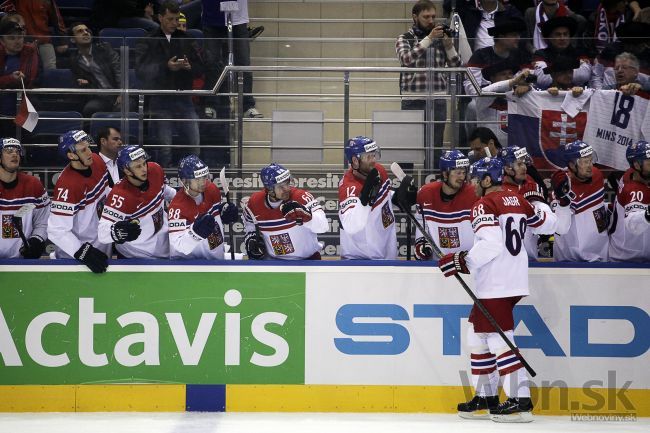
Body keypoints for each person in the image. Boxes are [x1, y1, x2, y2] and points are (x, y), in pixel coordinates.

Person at [438, 157, 557, 423]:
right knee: (477, 337)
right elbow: (550, 225)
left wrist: (460, 261)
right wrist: (544, 204)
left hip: (496, 283)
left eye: (476, 178)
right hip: (512, 279)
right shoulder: (517, 198)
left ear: (487, 180)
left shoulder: (484, 204)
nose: (471, 184)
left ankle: (521, 401)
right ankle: (487, 396)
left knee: (498, 339)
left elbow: (490, 245)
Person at [135, 0, 203, 167]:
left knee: (195, 145)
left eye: (176, 19)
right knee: (164, 148)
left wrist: (190, 67)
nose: (174, 23)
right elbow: (141, 70)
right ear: (160, 17)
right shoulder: (148, 40)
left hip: (183, 97)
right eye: (170, 19)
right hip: (161, 98)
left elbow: (201, 67)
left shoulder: (187, 39)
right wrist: (166, 66)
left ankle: (194, 174)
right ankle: (164, 181)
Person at [396, 0, 461, 153]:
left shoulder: (441, 39)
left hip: (437, 98)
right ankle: (406, 177)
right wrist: (429, 39)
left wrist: (449, 46)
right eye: (426, 17)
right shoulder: (404, 38)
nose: (431, 21)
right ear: (415, 17)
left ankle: (432, 177)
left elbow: (456, 66)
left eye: (433, 16)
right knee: (408, 147)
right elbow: (406, 59)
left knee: (435, 146)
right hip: (412, 99)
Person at [47, 130, 111, 273]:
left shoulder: (97, 161)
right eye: (83, 150)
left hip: (101, 247)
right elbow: (56, 231)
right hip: (74, 258)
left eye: (88, 147)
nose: (89, 152)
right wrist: (82, 252)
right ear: (71, 155)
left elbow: (106, 194)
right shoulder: (67, 186)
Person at [98, 145, 177, 258]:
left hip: (164, 245)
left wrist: (183, 201)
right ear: (127, 171)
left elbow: (165, 190)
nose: (144, 169)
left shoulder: (155, 170)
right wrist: (119, 231)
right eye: (138, 166)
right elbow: (102, 233)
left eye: (144, 163)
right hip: (137, 255)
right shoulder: (119, 196)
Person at [242, 163, 328, 260]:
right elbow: (249, 224)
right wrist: (251, 237)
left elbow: (324, 226)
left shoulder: (301, 197)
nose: (287, 188)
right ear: (270, 189)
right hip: (275, 264)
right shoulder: (254, 202)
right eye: (281, 186)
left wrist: (308, 217)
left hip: (309, 262)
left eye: (287, 183)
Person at [168, 154, 239, 259]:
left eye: (203, 177)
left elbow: (216, 219)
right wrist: (195, 234)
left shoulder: (212, 190)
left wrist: (223, 211)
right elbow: (177, 246)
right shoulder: (177, 208)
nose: (202, 182)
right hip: (191, 266)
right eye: (197, 179)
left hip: (216, 259)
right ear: (184, 181)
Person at [201, 0, 263, 118]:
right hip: (212, 16)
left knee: (243, 62)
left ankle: (248, 105)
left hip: (238, 17)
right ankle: (211, 103)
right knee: (212, 61)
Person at [338, 136, 397, 260]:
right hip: (361, 259)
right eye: (368, 157)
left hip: (386, 252)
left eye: (374, 155)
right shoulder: (349, 187)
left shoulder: (378, 170)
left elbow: (383, 195)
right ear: (355, 160)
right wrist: (364, 200)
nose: (373, 160)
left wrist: (396, 196)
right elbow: (351, 226)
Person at [550, 140, 609, 262]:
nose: (590, 166)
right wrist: (563, 199)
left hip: (600, 255)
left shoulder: (597, 175)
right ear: (572, 165)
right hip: (568, 259)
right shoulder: (560, 189)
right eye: (585, 162)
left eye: (591, 160)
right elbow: (561, 228)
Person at [414, 149, 477, 260]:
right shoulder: (425, 193)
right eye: (457, 173)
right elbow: (421, 223)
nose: (462, 177)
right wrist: (421, 242)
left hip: (468, 265)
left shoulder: (474, 195)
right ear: (445, 173)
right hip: (438, 265)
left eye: (464, 172)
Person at [498, 145, 551, 259]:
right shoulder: (498, 191)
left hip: (530, 257)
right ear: (507, 168)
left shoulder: (529, 182)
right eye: (519, 164)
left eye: (524, 163)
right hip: (506, 260)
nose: (525, 168)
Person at [0, 137, 49, 258]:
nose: (14, 154)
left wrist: (36, 240)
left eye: (17, 151)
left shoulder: (33, 184)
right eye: (9, 151)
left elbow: (43, 222)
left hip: (23, 262)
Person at [464, 16, 531, 95]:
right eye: (514, 35)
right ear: (501, 37)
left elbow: (530, 78)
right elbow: (473, 90)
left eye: (518, 35)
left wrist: (526, 86)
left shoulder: (521, 55)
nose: (518, 38)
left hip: (514, 100)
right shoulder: (480, 56)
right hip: (486, 102)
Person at [69, 22, 122, 121]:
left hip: (118, 93)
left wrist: (121, 92)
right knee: (90, 108)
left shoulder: (104, 49)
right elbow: (80, 80)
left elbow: (119, 71)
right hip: (100, 98)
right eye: (80, 31)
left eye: (87, 30)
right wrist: (85, 83)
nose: (86, 33)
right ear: (72, 39)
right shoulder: (74, 59)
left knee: (121, 109)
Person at [609, 140, 650, 262]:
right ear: (637, 165)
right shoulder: (634, 191)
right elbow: (633, 225)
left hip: (629, 252)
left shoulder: (631, 173)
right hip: (628, 259)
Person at [0, 20, 40, 137]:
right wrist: (11, 79)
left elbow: (28, 77)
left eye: (20, 37)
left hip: (24, 104)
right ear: (2, 40)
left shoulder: (30, 50)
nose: (17, 41)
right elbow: (15, 79)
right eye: (11, 38)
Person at [531, 16, 592, 89]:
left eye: (565, 34)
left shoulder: (580, 53)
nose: (562, 38)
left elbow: (583, 76)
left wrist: (554, 72)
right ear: (550, 38)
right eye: (558, 34)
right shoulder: (541, 54)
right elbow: (543, 80)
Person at [444, 0, 523, 51]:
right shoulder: (468, 11)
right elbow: (448, 5)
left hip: (503, 64)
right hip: (476, 65)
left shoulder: (510, 12)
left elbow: (522, 38)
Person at [14, 0, 68, 70]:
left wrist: (62, 40)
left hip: (44, 40)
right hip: (23, 41)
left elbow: (57, 19)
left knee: (51, 69)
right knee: (23, 69)